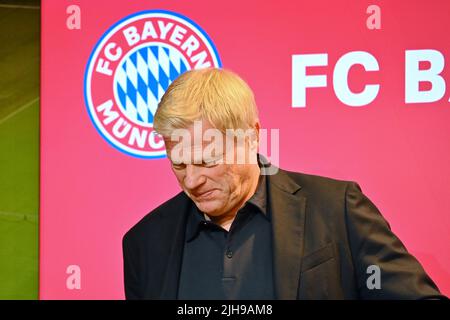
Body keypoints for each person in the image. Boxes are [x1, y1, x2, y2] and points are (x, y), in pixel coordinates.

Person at [122, 68, 444, 300]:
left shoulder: (337, 210)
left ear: (251, 137)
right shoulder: (144, 242)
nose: (191, 180)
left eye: (207, 160)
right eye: (178, 163)